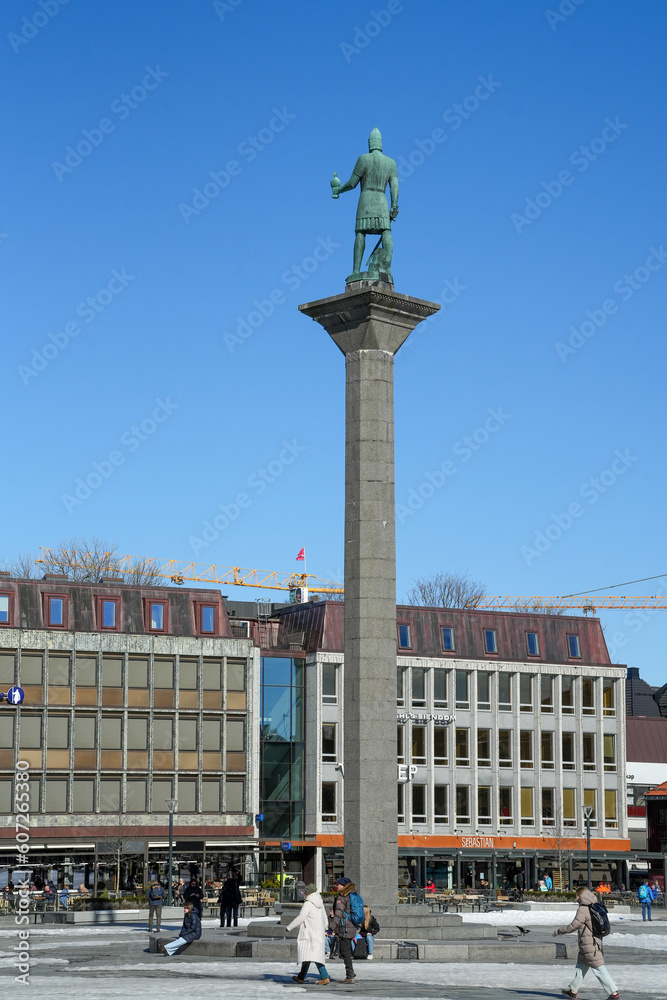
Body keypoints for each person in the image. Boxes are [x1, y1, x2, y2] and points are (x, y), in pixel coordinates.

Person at [333, 127, 399, 277]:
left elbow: (352, 183)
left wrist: (338, 190)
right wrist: (394, 205)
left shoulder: (363, 159)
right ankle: (387, 269)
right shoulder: (391, 163)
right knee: (386, 232)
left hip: (366, 199)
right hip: (382, 200)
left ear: (370, 143)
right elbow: (395, 187)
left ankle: (355, 271)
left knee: (360, 233)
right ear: (381, 143)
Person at [553, 885, 620, 1000]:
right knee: (581, 967)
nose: (576, 898)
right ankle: (573, 991)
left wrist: (559, 931)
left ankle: (614, 993)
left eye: (576, 896)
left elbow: (573, 926)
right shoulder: (594, 905)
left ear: (580, 896)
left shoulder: (583, 909)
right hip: (591, 943)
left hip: (589, 945)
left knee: (599, 969)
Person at [286, 882, 330, 985]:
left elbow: (301, 917)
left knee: (315, 957)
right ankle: (301, 977)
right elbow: (324, 917)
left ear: (308, 893)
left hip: (310, 934)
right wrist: (326, 927)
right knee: (308, 956)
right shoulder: (320, 903)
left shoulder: (308, 904)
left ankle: (325, 977)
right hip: (318, 933)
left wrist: (289, 927)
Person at [328, 876, 359, 984]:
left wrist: (331, 928)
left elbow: (338, 915)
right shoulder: (352, 895)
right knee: (344, 951)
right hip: (351, 926)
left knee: (345, 952)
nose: (337, 886)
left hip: (344, 928)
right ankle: (351, 972)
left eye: (339, 884)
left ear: (344, 886)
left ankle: (350, 976)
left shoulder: (342, 897)